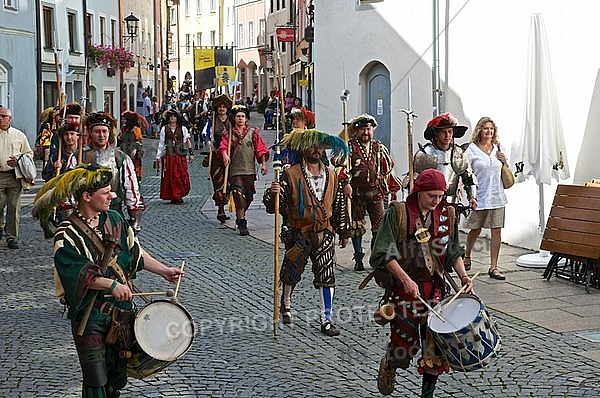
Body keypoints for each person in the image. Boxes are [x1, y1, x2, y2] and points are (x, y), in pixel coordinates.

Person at [31, 164, 184, 397]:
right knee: (96, 379)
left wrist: (163, 270)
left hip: (121, 314)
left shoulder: (114, 219)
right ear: (86, 196)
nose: (111, 196)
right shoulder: (67, 234)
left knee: (115, 377)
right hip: (90, 316)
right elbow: (77, 272)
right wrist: (112, 285)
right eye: (105, 192)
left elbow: (135, 251)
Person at [369, 168, 473, 397]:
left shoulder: (447, 215)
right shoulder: (398, 213)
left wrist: (463, 276)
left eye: (440, 196)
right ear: (418, 192)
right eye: (431, 196)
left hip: (434, 289)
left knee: (434, 349)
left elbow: (453, 252)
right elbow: (383, 252)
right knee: (404, 346)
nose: (437, 201)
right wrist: (405, 279)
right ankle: (390, 362)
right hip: (403, 289)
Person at [263, 128, 350, 336]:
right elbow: (273, 206)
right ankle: (286, 303)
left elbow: (338, 203)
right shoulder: (289, 173)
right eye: (313, 146)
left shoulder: (331, 174)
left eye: (319, 146)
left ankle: (326, 319)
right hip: (299, 233)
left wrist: (344, 231)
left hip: (325, 231)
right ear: (304, 149)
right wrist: (272, 193)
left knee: (326, 275)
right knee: (291, 271)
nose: (317, 150)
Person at [66, 112, 146, 233]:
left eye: (105, 131)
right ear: (90, 133)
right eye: (97, 131)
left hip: (112, 213)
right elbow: (68, 187)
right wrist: (69, 213)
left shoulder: (120, 157)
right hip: (84, 215)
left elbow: (131, 188)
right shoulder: (78, 157)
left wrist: (134, 218)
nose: (101, 135)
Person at [342, 114, 402, 271]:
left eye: (368, 129)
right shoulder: (349, 147)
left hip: (376, 193)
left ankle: (377, 256)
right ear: (357, 130)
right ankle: (358, 257)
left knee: (380, 226)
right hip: (356, 194)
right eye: (363, 129)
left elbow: (388, 168)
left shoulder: (378, 148)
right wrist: (345, 183)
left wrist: (393, 188)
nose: (366, 132)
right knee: (356, 226)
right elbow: (340, 166)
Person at [413, 112, 478, 228]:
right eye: (444, 132)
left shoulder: (459, 153)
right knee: (429, 238)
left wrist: (472, 197)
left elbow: (468, 177)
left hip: (452, 203)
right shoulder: (425, 154)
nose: (448, 136)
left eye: (450, 132)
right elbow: (413, 181)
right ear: (436, 134)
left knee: (450, 237)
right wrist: (410, 205)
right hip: (429, 204)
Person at [464, 117, 508, 280]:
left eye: (491, 128)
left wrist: (505, 161)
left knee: (496, 231)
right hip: (480, 196)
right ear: (479, 130)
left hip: (497, 196)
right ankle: (467, 255)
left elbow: (504, 171)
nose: (489, 131)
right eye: (485, 128)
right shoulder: (471, 150)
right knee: (476, 228)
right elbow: (466, 172)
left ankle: (494, 267)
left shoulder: (499, 148)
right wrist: (468, 192)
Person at [219, 105, 269, 235]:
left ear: (246, 118)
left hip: (249, 170)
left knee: (248, 196)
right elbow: (223, 146)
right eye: (238, 116)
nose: (240, 119)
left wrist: (263, 164)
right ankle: (242, 222)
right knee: (238, 196)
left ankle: (240, 215)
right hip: (235, 171)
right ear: (234, 119)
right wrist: (225, 155)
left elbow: (261, 149)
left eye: (242, 116)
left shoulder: (253, 133)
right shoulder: (229, 134)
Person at [0, 106, 34, 249]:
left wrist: (19, 160)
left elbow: (29, 154)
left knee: (14, 208)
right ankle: (0, 228)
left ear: (10, 118)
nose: (1, 119)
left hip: (14, 176)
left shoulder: (19, 135)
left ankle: (12, 237)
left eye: (3, 116)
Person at [156, 109, 194, 204]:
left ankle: (179, 194)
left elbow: (188, 141)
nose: (172, 118)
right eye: (171, 116)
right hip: (169, 156)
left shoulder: (182, 129)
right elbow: (161, 143)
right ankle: (173, 196)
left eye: (174, 116)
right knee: (171, 176)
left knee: (180, 175)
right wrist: (158, 156)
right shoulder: (164, 129)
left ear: (177, 118)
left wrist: (191, 153)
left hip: (180, 155)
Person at [206, 94, 233, 223]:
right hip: (216, 155)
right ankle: (221, 209)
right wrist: (209, 144)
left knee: (229, 184)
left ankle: (226, 203)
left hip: (231, 155)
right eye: (219, 107)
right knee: (218, 183)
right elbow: (205, 135)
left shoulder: (232, 120)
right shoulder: (212, 120)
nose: (222, 109)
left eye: (224, 106)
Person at [119, 111, 147, 182]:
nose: (123, 121)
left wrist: (135, 149)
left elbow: (139, 142)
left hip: (133, 155)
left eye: (125, 119)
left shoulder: (136, 129)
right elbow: (120, 140)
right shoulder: (123, 129)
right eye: (123, 119)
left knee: (133, 171)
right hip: (124, 152)